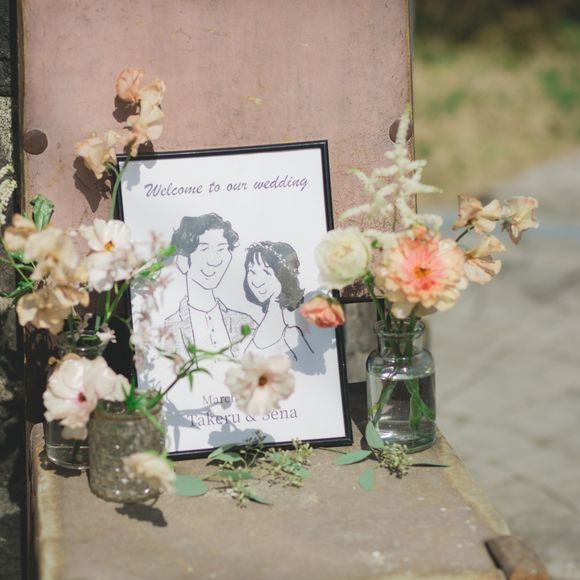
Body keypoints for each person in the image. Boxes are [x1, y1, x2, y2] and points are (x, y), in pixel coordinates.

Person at [164, 213, 256, 359]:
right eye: (204, 249)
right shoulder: (168, 329)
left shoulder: (246, 324)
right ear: (182, 259)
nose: (215, 261)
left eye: (221, 249)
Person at [243, 241, 313, 361]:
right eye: (252, 271)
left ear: (284, 277)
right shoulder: (252, 328)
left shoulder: (291, 333)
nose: (256, 281)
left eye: (266, 272)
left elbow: (309, 365)